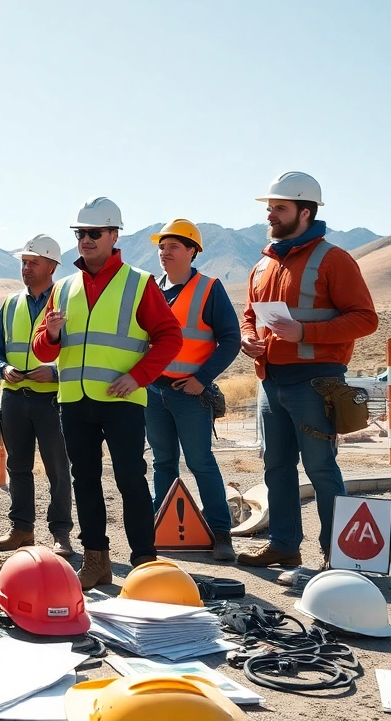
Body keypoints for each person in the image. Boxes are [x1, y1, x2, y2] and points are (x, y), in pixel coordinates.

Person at [31, 198, 183, 590]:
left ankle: (144, 562)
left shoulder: (138, 282)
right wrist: (50, 334)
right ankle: (96, 561)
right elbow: (42, 349)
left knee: (131, 478)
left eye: (94, 233)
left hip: (122, 402)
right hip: (74, 401)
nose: (85, 240)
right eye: (80, 233)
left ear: (114, 235)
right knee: (85, 479)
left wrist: (139, 376)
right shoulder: (62, 288)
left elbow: (170, 337)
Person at [238, 172, 377, 568]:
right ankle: (284, 544)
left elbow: (366, 319)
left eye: (279, 208)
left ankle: (339, 554)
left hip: (316, 382)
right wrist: (249, 338)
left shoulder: (334, 259)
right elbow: (249, 314)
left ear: (304, 211)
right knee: (276, 466)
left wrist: (304, 331)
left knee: (319, 466)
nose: (271, 214)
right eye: (269, 208)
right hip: (271, 381)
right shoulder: (262, 265)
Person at [146, 219, 241, 562]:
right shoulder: (152, 288)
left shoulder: (209, 288)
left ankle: (221, 534)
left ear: (192, 251)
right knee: (162, 462)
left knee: (201, 462)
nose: (164, 252)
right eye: (162, 246)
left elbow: (231, 339)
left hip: (190, 393)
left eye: (173, 246)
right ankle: (162, 525)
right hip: (154, 392)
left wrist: (202, 378)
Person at [0, 234, 74, 558]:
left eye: (33, 262)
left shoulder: (68, 303)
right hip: (14, 397)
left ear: (51, 266)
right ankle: (22, 529)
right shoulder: (10, 304)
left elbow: (80, 353)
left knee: (57, 469)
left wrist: (56, 373)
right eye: (24, 262)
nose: (26, 268)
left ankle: (61, 534)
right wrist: (2, 368)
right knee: (18, 468)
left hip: (51, 399)